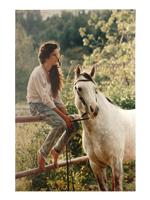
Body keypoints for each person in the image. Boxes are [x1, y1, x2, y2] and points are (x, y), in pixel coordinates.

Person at [26, 41, 79, 169]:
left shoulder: (53, 72)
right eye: (56, 54)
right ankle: (42, 152)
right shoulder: (38, 72)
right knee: (60, 123)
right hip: (36, 105)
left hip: (48, 104)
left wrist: (67, 115)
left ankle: (56, 150)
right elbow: (45, 99)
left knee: (74, 124)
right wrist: (64, 118)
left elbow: (56, 98)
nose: (59, 56)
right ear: (48, 57)